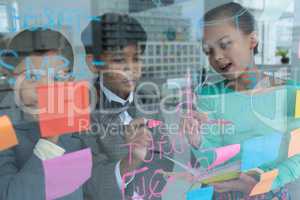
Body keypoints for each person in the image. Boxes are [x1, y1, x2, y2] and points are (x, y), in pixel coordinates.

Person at [182, 2, 300, 199]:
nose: (217, 57)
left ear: (252, 40)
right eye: (208, 50)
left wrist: (260, 181)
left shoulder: (293, 93)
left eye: (225, 44)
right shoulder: (208, 96)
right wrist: (197, 141)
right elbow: (209, 159)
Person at [80, 13, 174, 200]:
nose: (131, 68)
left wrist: (143, 192)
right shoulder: (82, 110)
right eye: (119, 60)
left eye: (137, 58)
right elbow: (89, 181)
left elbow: (165, 156)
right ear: (93, 63)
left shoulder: (149, 100)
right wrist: (130, 162)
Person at [0, 28, 84, 199]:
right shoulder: (3, 126)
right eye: (32, 76)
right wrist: (49, 141)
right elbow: (10, 195)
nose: (45, 89)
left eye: (57, 78)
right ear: (11, 80)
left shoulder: (77, 122)